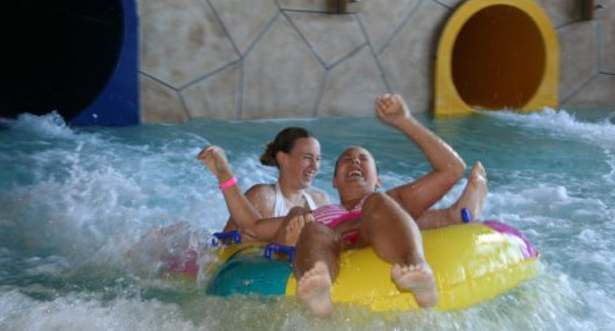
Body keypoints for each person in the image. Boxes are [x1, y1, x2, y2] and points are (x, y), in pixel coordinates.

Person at [198, 93, 487, 317]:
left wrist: (404, 120)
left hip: (377, 228)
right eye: (345, 161)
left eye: (363, 159)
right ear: (334, 182)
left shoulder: (390, 200)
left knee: (381, 206)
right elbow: (252, 225)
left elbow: (451, 169)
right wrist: (224, 173)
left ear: (378, 178)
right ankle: (319, 283)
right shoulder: (320, 210)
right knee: (311, 227)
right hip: (333, 238)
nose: (354, 162)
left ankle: (416, 269)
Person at [220, 127, 330, 243]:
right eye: (307, 158)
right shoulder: (262, 197)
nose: (314, 166)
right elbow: (221, 245)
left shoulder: (320, 200)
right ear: (283, 159)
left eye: (318, 159)